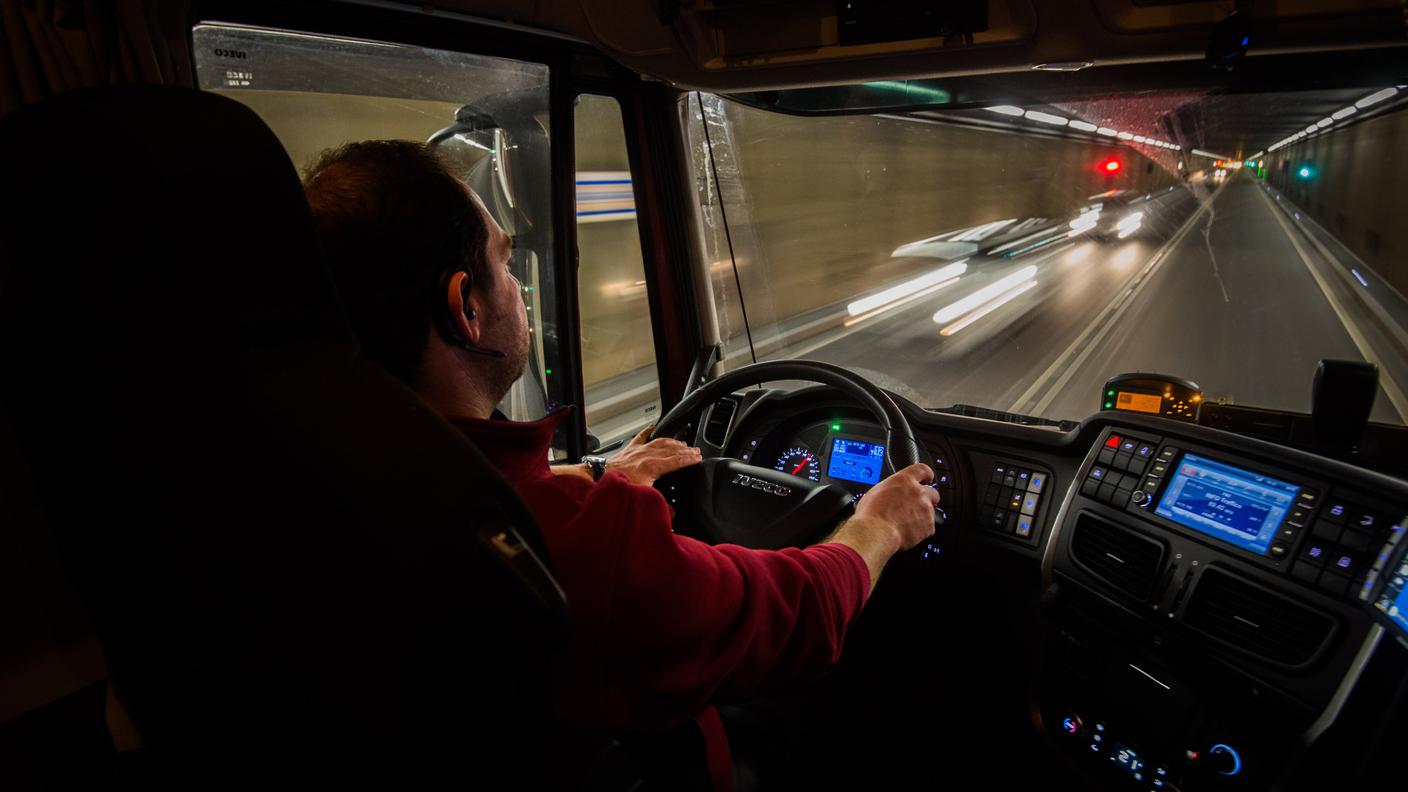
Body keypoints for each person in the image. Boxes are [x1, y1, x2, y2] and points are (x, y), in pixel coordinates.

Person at [303, 140, 939, 788]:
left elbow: (516, 492)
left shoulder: (333, 469)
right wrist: (879, 526)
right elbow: (794, 612)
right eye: (505, 263)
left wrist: (600, 478)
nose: (522, 291)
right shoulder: (568, 543)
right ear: (464, 305)